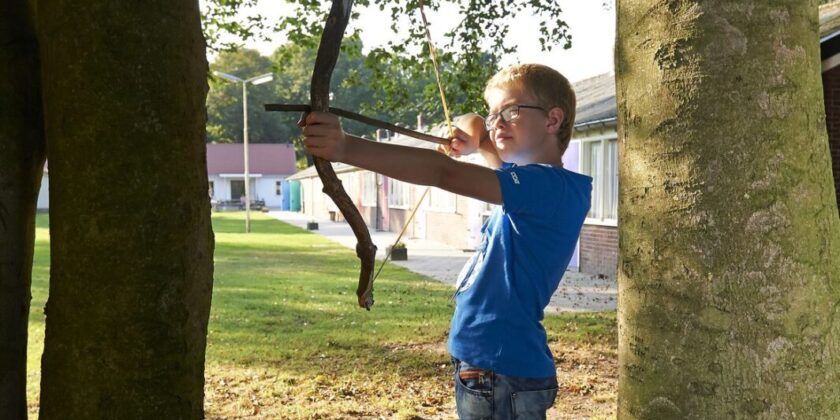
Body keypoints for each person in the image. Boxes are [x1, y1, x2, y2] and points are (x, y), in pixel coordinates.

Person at [300, 64, 591, 419]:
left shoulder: (548, 187)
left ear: (553, 120)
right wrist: (472, 132)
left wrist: (345, 147)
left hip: (500, 367)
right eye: (494, 113)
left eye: (511, 112)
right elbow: (478, 130)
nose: (497, 122)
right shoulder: (536, 184)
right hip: (493, 363)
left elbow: (444, 172)